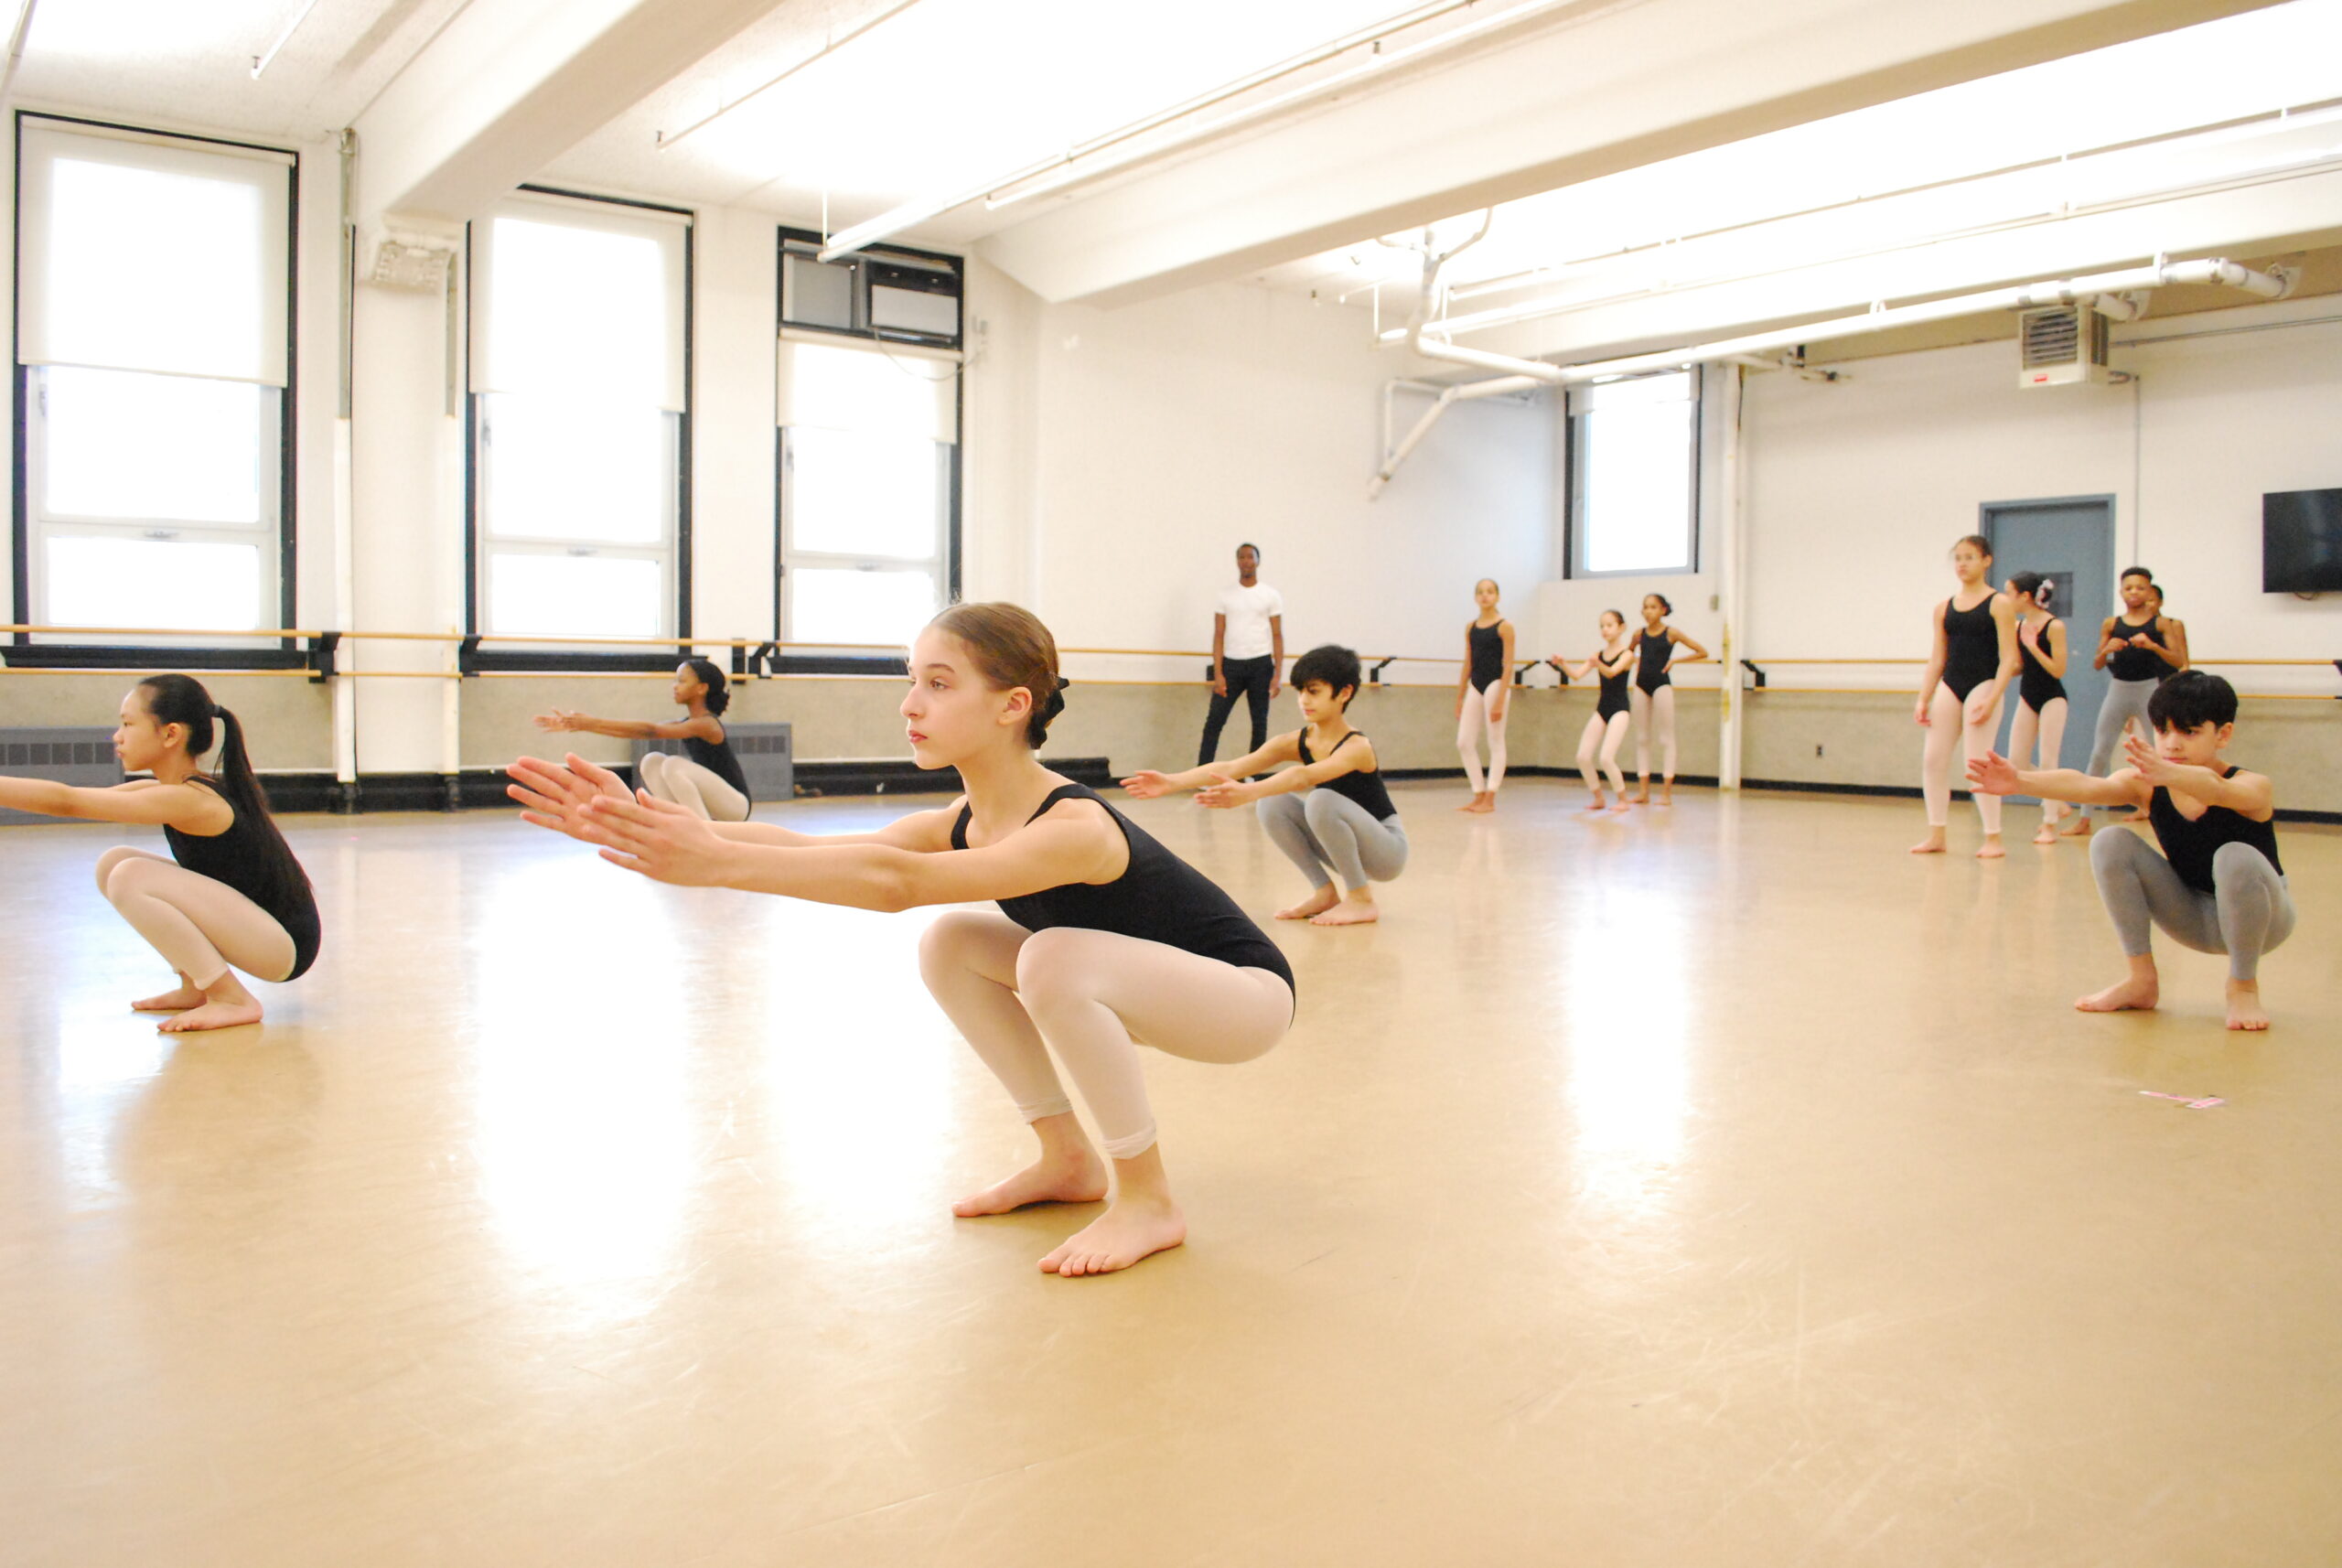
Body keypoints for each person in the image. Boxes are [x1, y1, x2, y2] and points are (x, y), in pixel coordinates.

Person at [510, 602, 1294, 1278]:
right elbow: (836, 853)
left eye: (939, 683)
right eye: (911, 679)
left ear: (1012, 704)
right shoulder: (964, 820)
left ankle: (1150, 1201)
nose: (910, 703)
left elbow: (893, 886)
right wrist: (680, 829)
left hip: (1242, 999)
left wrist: (716, 866)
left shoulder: (1075, 826)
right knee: (952, 940)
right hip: (1152, 985)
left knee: (1051, 953)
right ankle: (1067, 1159)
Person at [1969, 671, 2292, 1031]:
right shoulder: (2150, 784)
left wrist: (2169, 774)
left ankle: (2243, 986)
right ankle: (2142, 982)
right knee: (2110, 841)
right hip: (2193, 917)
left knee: (2235, 855)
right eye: (2163, 731)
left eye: (2189, 732)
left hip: (2265, 922)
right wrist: (2021, 780)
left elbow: (2214, 789)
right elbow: (2086, 785)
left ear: (2224, 734)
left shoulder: (2252, 786)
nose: (2171, 744)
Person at [0, 674, 321, 1032]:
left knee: (130, 876)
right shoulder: (173, 789)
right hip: (262, 932)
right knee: (115, 862)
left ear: (170, 734)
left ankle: (231, 998)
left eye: (127, 723)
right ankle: (195, 985)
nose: (117, 736)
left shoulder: (188, 798)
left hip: (281, 947)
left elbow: (66, 802)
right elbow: (72, 796)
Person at [1123, 644, 1404, 928]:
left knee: (1323, 799)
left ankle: (1361, 899)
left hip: (1387, 850)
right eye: (1301, 691)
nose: (1304, 700)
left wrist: (1247, 792)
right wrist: (1172, 782)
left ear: (1344, 693)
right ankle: (1324, 892)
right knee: (1272, 803)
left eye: (1314, 691)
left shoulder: (1357, 746)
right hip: (1347, 846)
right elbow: (1233, 767)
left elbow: (1302, 777)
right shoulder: (1297, 740)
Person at [534, 659, 750, 822]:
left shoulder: (707, 724)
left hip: (735, 805)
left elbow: (650, 731)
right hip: (716, 802)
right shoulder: (688, 722)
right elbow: (641, 731)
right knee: (652, 761)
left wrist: (591, 723)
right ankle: (676, 824)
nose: (674, 686)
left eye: (682, 681)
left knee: (673, 765)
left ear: (702, 688)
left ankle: (705, 833)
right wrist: (585, 725)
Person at [1911, 534, 2019, 858]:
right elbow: (1938, 659)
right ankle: (1937, 834)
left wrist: (1993, 697)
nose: (1962, 564)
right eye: (1958, 558)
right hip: (1951, 684)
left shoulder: (1999, 603)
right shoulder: (1943, 609)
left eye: (1970, 557)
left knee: (1978, 763)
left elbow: (2009, 658)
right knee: (1933, 760)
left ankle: (1993, 837)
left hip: (1983, 684)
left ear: (1987, 561)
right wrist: (1923, 698)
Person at [2069, 568, 2189, 834]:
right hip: (2119, 689)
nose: (2134, 592)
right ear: (2121, 591)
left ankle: (2171, 815)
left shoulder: (2161, 624)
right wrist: (2106, 651)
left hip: (2149, 690)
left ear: (2149, 592)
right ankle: (2085, 817)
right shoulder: (2111, 624)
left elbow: (2178, 660)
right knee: (2100, 751)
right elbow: (2098, 663)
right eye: (2129, 587)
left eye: (2140, 587)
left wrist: (2153, 646)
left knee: (2161, 754)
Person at [1197, 542, 1284, 769]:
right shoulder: (1225, 595)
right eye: (1242, 557)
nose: (1246, 561)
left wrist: (1278, 674)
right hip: (1231, 666)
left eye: (1250, 557)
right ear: (1237, 562)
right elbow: (1218, 634)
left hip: (1261, 664)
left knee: (1259, 723)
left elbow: (1277, 635)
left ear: (1258, 561)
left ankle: (1253, 775)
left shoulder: (1270, 595)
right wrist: (1218, 672)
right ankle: (1203, 772)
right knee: (1214, 721)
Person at [2004, 572, 2071, 846]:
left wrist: (2033, 646)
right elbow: (2020, 667)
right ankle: (2057, 801)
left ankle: (2049, 823)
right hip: (2027, 697)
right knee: (2016, 762)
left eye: (2009, 593)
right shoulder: (2018, 626)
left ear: (2025, 596)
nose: (2006, 598)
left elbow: (2058, 669)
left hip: (2052, 698)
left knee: (2047, 762)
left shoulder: (2054, 627)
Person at [1627, 593, 1710, 805]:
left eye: (1653, 607)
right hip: (1641, 685)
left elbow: (1702, 651)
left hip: (1661, 684)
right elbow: (1626, 655)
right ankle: (1643, 791)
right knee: (1642, 738)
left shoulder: (1671, 632)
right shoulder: (1638, 634)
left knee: (1666, 738)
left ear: (1663, 610)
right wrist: (1634, 660)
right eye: (1645, 607)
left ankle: (1666, 793)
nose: (1648, 611)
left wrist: (1675, 661)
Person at [1559, 611, 1636, 813]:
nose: (1605, 630)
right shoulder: (1598, 655)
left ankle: (1623, 799)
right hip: (1602, 708)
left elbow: (1611, 672)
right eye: (1602, 626)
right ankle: (1599, 797)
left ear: (1622, 627)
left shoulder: (1627, 654)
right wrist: (1562, 664)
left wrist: (1597, 663)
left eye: (1610, 625)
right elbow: (1576, 675)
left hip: (1620, 709)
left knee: (1606, 757)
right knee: (1583, 756)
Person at [1454, 578, 1515, 814]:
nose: (1485, 596)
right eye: (1480, 592)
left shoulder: (1505, 626)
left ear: (1498, 596)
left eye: (1490, 592)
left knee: (1495, 740)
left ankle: (1491, 797)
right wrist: (1459, 697)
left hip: (1496, 684)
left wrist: (1500, 698)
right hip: (1476, 685)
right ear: (1475, 597)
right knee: (1464, 741)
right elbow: (1468, 662)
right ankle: (1478, 793)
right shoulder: (1471, 627)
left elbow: (1508, 664)